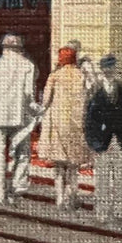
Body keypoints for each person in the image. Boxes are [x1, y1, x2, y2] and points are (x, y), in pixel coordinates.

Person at [0, 34, 40, 205]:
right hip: (20, 116)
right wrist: (37, 110)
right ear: (20, 49)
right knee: (22, 153)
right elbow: (29, 94)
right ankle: (17, 187)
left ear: (4, 49)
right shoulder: (27, 65)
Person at [85, 55, 122, 223]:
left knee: (121, 180)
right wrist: (93, 142)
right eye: (106, 68)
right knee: (102, 180)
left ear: (115, 69)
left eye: (112, 67)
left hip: (121, 140)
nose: (109, 70)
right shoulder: (96, 90)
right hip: (102, 142)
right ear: (102, 70)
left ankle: (120, 213)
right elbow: (89, 119)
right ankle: (102, 214)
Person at [41, 46, 91, 209]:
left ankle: (60, 199)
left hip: (58, 124)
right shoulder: (81, 75)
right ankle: (72, 198)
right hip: (76, 124)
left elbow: (45, 100)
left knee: (59, 166)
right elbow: (87, 99)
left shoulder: (54, 76)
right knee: (73, 166)